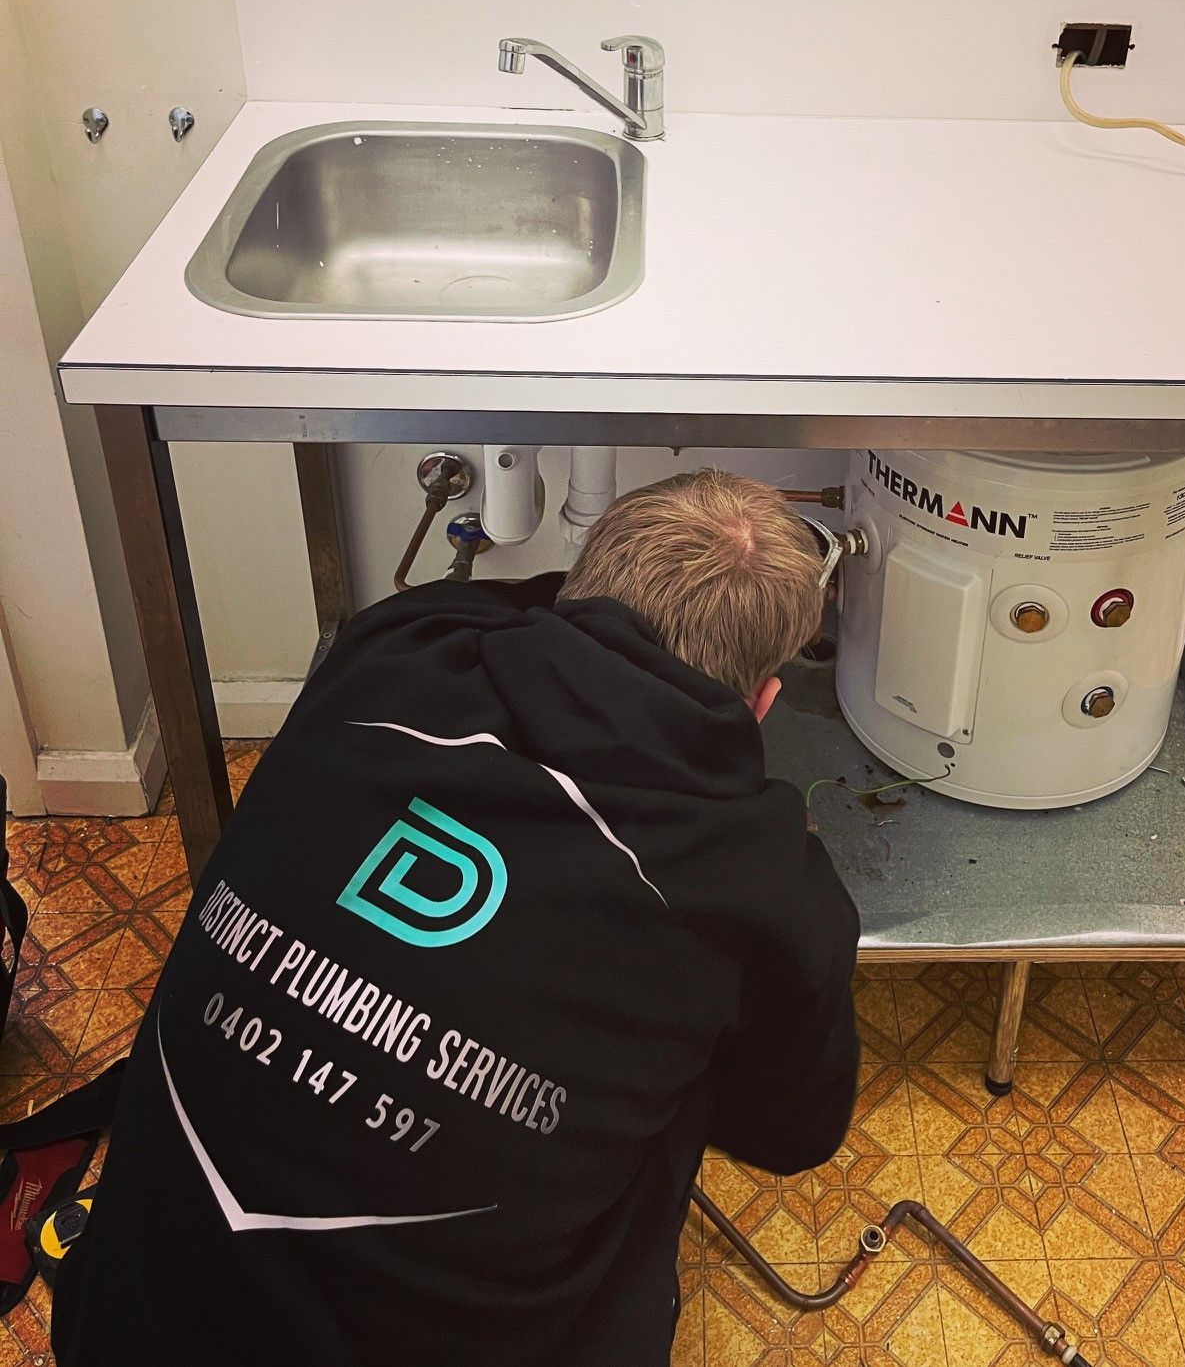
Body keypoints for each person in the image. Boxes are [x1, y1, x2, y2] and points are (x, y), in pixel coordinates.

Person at [52, 470, 860, 1366]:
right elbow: (791, 1135)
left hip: (117, 1331)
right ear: (765, 703)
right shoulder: (766, 878)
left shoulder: (392, 646)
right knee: (688, 1069)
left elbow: (523, 609)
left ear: (575, 588)